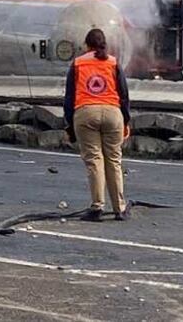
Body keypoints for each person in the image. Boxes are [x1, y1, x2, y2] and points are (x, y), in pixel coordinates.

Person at [64, 28, 131, 222]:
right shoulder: (114, 62)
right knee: (114, 160)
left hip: (86, 113)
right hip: (113, 113)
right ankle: (120, 208)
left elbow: (69, 98)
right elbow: (124, 95)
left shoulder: (77, 63)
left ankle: (97, 207)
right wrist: (125, 121)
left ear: (86, 45)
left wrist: (69, 125)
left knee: (94, 160)